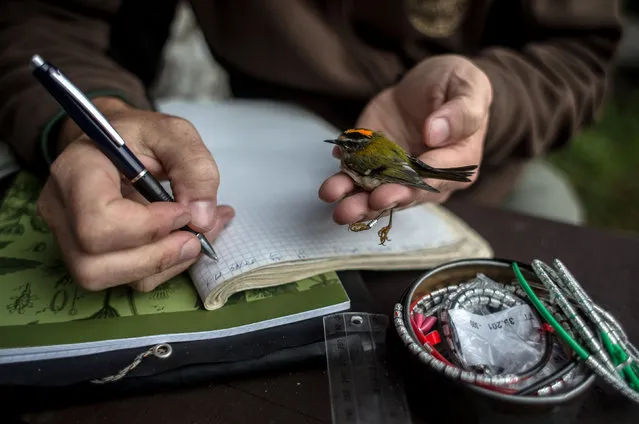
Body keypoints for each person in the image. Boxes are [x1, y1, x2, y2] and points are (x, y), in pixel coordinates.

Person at [0, 0, 623, 292]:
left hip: (483, 172)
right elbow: (50, 17)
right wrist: (97, 124)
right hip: (261, 145)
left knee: (553, 252)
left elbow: (580, 54)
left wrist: (495, 97)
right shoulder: (343, 156)